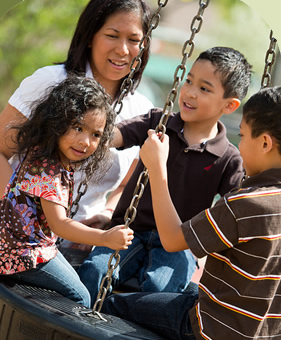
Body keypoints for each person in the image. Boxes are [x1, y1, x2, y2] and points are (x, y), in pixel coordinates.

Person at [102, 86, 281, 339]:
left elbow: (173, 239)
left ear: (264, 143)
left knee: (113, 305)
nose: (239, 145)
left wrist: (157, 168)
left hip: (212, 327)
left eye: (242, 135)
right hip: (265, 333)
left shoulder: (246, 204)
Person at [78, 46, 252, 305]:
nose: (190, 92)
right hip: (129, 229)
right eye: (189, 81)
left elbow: (238, 206)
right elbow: (112, 136)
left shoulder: (228, 158)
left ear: (229, 105)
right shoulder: (159, 122)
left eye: (204, 89)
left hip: (178, 244)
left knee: (160, 291)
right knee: (95, 270)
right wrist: (87, 129)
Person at [0, 0, 153, 230]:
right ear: (90, 36)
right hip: (21, 234)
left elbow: (126, 186)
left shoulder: (141, 110)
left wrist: (108, 214)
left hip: (86, 240)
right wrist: (17, 214)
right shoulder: (50, 82)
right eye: (112, 35)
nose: (123, 50)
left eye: (133, 40)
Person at [0, 75, 134, 309]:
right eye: (77, 127)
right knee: (80, 298)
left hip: (21, 243)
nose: (85, 141)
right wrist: (105, 238)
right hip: (22, 252)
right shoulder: (50, 170)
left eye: (95, 134)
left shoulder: (44, 152)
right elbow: (60, 225)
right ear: (58, 122)